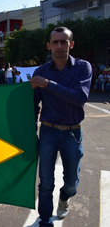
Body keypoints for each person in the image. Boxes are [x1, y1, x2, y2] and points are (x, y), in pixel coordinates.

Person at [30, 26, 92, 227]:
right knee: (45, 182)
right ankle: (45, 220)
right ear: (48, 46)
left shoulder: (83, 68)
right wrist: (29, 132)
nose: (59, 45)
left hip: (73, 132)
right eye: (55, 42)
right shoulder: (40, 71)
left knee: (72, 181)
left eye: (63, 41)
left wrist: (48, 84)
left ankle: (65, 197)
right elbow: (33, 104)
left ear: (71, 44)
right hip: (48, 131)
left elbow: (79, 97)